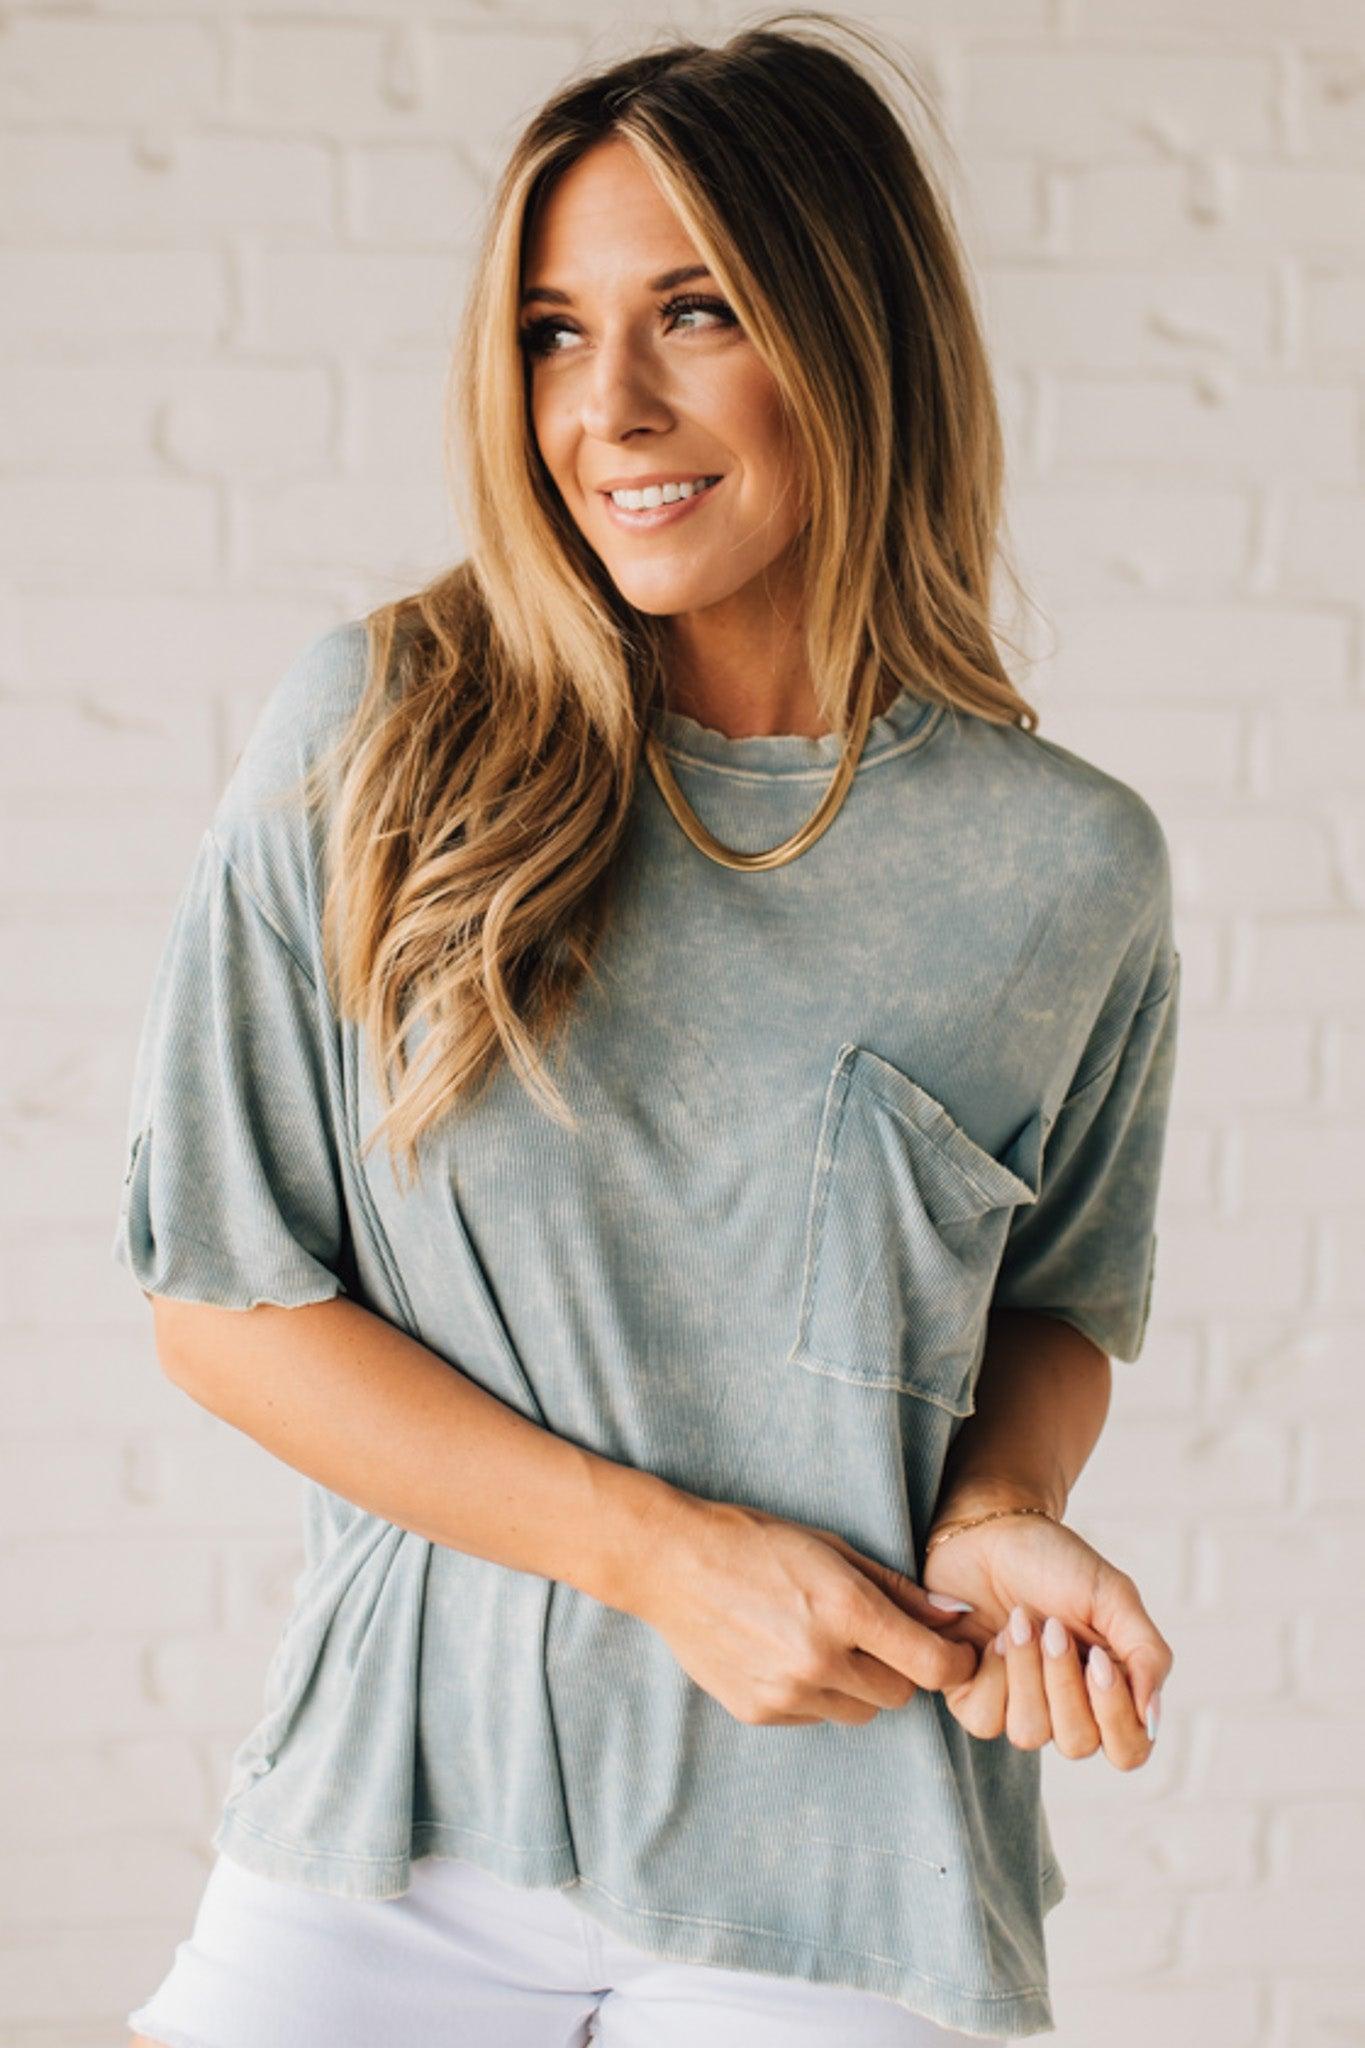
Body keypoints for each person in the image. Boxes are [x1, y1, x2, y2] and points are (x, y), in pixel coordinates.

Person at [118, 14, 1181, 2046]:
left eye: (693, 313)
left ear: (853, 335)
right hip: (394, 1828)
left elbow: (1052, 1302)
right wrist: (668, 1560)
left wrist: (995, 1509)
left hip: (846, 1860)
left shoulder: (1065, 866)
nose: (605, 407)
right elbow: (223, 1304)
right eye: (550, 332)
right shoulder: (377, 733)